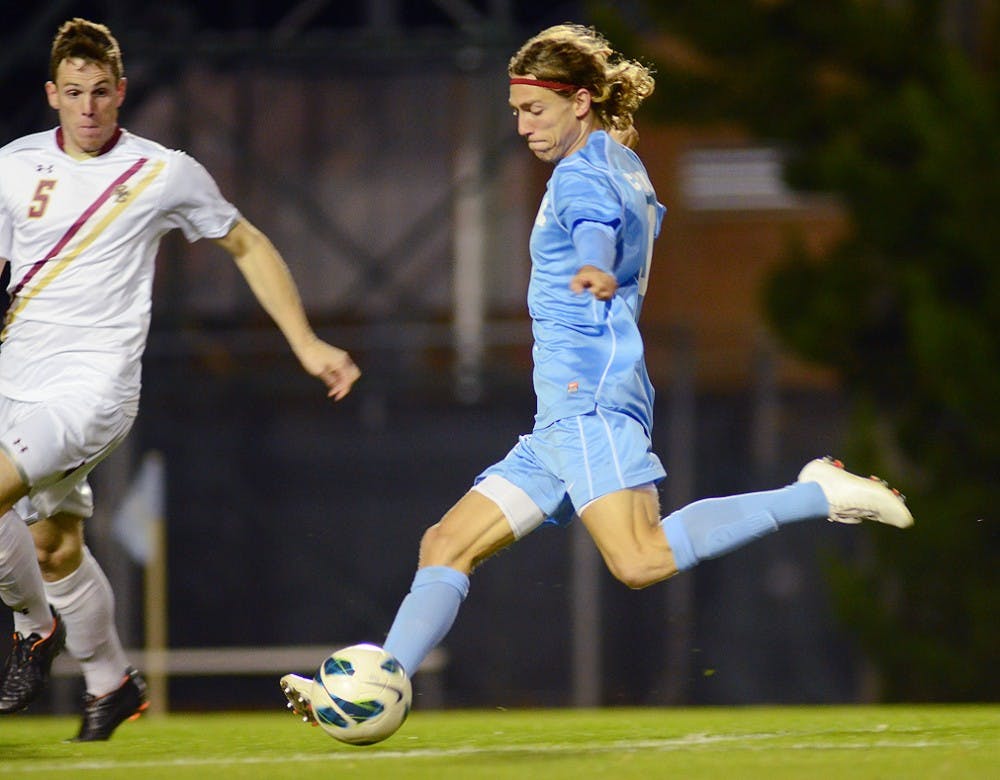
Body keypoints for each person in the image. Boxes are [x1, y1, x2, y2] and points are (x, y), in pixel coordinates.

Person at [280, 23, 914, 728]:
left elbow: (593, 225)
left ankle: (813, 493)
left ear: (580, 101)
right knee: (445, 543)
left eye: (535, 111)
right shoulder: (619, 161)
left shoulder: (583, 175)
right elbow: (606, 215)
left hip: (589, 400)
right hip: (564, 414)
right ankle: (377, 686)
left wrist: (597, 263)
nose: (521, 127)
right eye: (516, 111)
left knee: (640, 560)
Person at [0, 18, 361, 741]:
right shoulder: (13, 163)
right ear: (52, 95)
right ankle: (111, 684)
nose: (90, 108)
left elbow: (247, 242)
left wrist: (306, 341)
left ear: (122, 92)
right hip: (16, 381)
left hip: (92, 391)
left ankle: (34, 629)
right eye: (74, 93)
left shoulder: (163, 172)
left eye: (102, 92)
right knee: (54, 547)